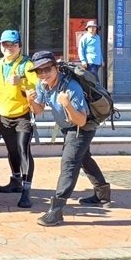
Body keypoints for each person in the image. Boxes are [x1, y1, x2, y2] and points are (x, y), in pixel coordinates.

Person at [27, 51, 111, 227]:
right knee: (83, 158)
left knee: (69, 163)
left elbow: (81, 120)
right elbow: (39, 110)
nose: (43, 74)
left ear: (56, 68)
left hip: (82, 128)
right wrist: (30, 101)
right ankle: (102, 193)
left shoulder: (72, 87)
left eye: (47, 69)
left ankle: (56, 211)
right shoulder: (42, 84)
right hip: (68, 128)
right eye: (39, 71)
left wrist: (67, 104)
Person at [0, 30, 38, 208]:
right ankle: (15, 180)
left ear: (20, 46)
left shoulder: (27, 65)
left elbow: (38, 87)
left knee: (23, 150)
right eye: (5, 44)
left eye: (12, 44)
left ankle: (26, 190)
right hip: (3, 116)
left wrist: (22, 83)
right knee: (12, 151)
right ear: (0, 46)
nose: (9, 47)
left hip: (22, 115)